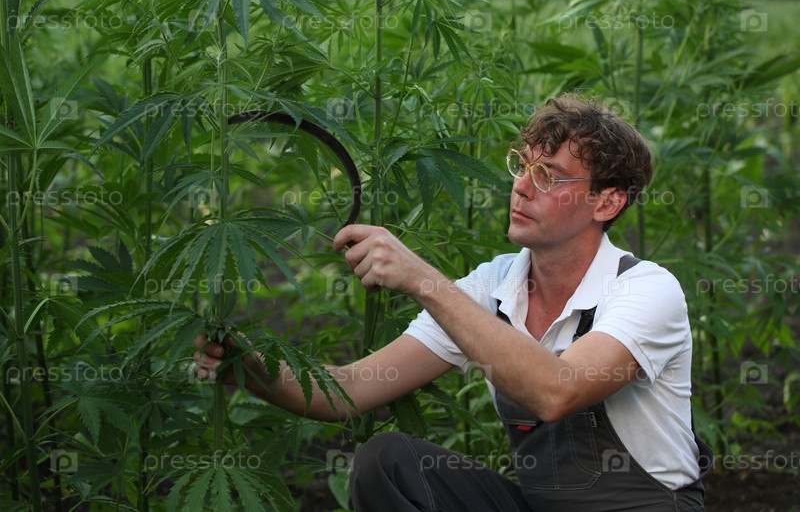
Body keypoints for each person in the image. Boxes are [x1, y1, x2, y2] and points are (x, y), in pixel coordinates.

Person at [193, 93, 709, 511]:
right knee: (388, 461)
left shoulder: (645, 288)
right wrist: (247, 366)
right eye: (521, 166)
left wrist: (423, 279)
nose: (521, 187)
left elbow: (558, 390)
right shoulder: (494, 286)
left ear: (607, 201)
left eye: (548, 176)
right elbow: (347, 390)